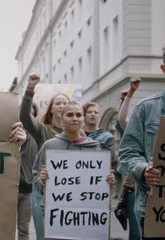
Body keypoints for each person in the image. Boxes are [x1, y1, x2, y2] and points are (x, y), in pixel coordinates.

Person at [19, 73, 69, 240]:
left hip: (71, 191)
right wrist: (30, 89)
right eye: (58, 103)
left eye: (65, 103)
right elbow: (25, 117)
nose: (62, 106)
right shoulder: (43, 130)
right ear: (52, 108)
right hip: (44, 191)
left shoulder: (80, 134)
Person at [118, 64, 165, 237]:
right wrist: (144, 169)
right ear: (164, 68)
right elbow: (127, 151)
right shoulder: (146, 108)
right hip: (156, 208)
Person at [33, 101, 115, 199]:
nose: (75, 119)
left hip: (85, 208)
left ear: (83, 120)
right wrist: (42, 180)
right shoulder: (50, 146)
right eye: (70, 115)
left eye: (79, 115)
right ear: (61, 120)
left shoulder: (94, 147)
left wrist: (109, 181)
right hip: (55, 207)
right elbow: (36, 177)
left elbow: (101, 184)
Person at [114, 77, 141, 240]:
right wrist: (129, 95)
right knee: (136, 232)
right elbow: (122, 121)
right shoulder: (136, 133)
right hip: (135, 189)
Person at [17, 102, 39, 240]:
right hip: (8, 189)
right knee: (5, 224)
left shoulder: (37, 136)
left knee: (24, 228)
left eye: (29, 112)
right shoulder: (8, 132)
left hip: (28, 190)